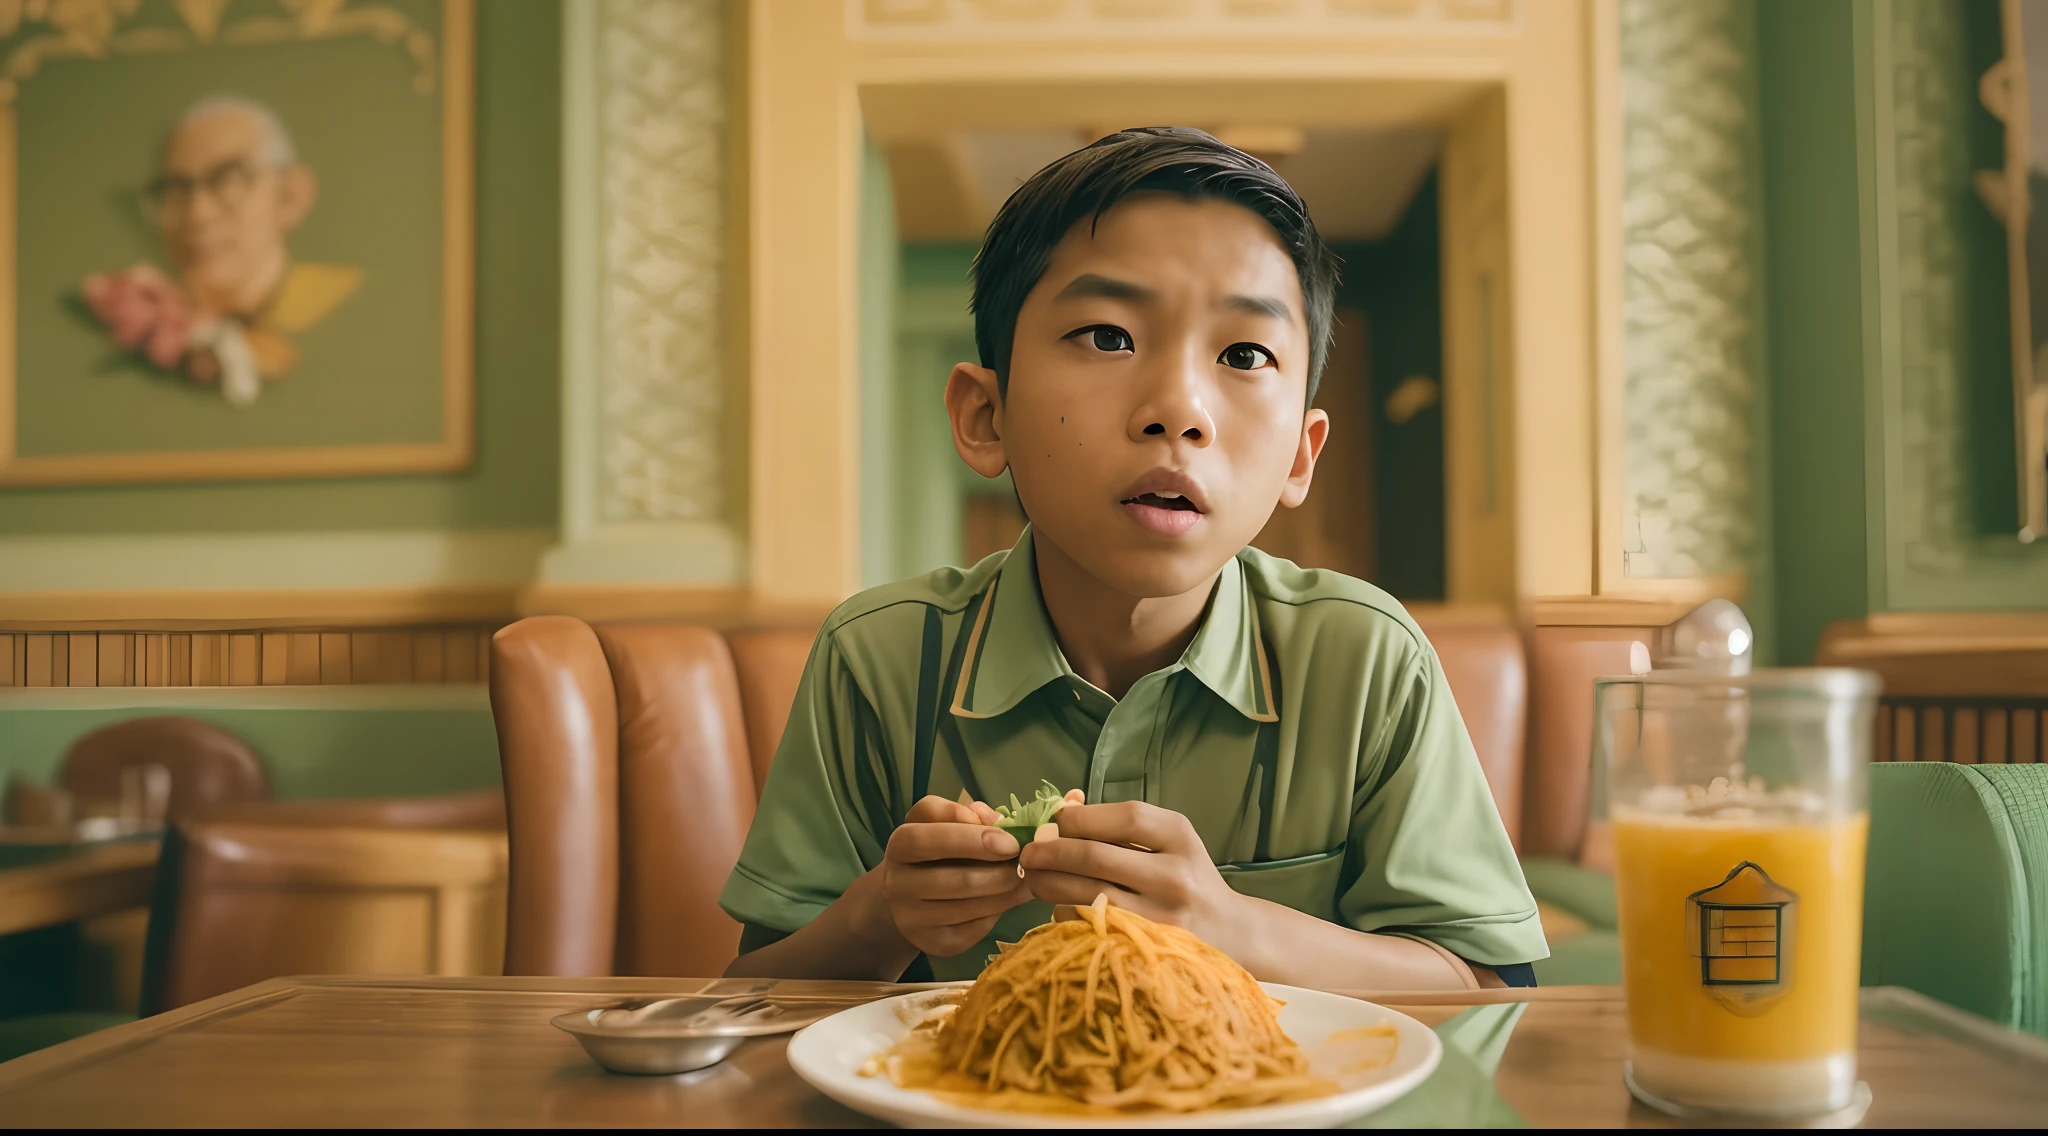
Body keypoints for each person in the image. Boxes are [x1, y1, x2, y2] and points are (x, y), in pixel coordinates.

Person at [719, 127, 1545, 991]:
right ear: (984, 417)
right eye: (1109, 336)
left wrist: (1227, 925)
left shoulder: (1366, 656)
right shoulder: (879, 658)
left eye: (1244, 354)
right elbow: (747, 1002)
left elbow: (1492, 992)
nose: (1179, 410)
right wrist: (879, 915)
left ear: (1300, 456)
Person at [81, 95, 360, 406]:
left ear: (290, 196)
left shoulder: (347, 312)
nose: (197, 214)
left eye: (229, 180)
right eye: (176, 190)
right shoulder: (158, 322)